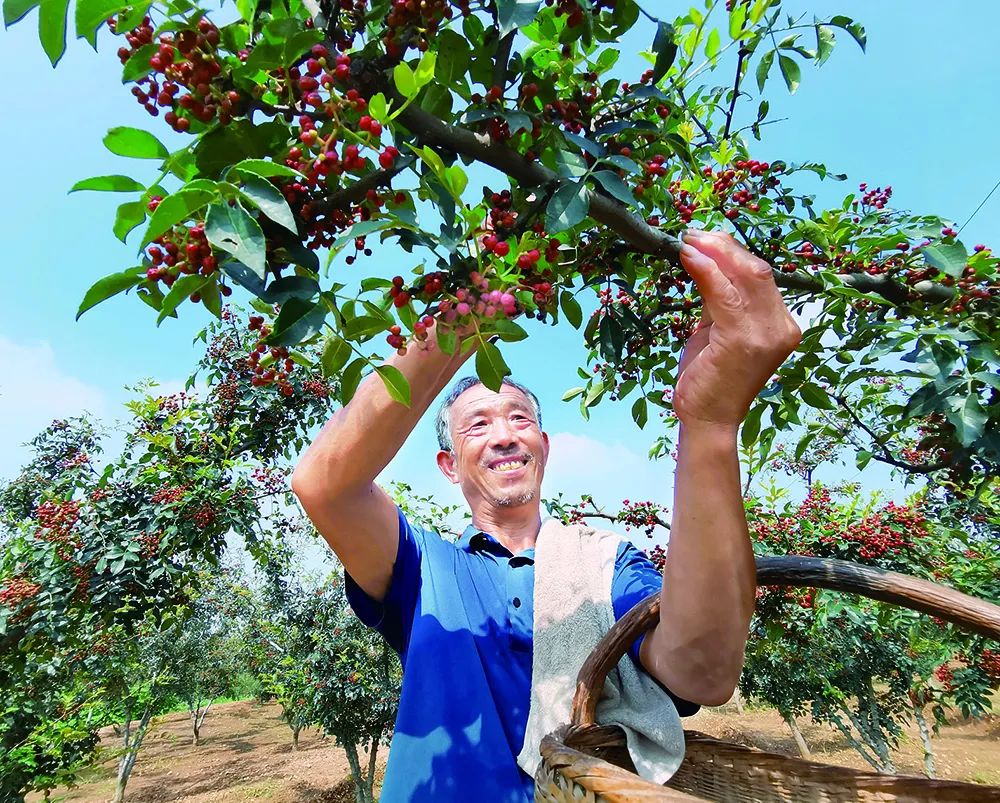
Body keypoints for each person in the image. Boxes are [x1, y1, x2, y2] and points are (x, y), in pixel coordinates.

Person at [292, 229, 802, 801]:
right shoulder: (422, 568)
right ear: (447, 464)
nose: (505, 436)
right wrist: (458, 322)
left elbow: (704, 672)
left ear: (545, 446)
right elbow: (324, 486)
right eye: (478, 424)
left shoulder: (603, 564)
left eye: (520, 419)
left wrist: (710, 421)